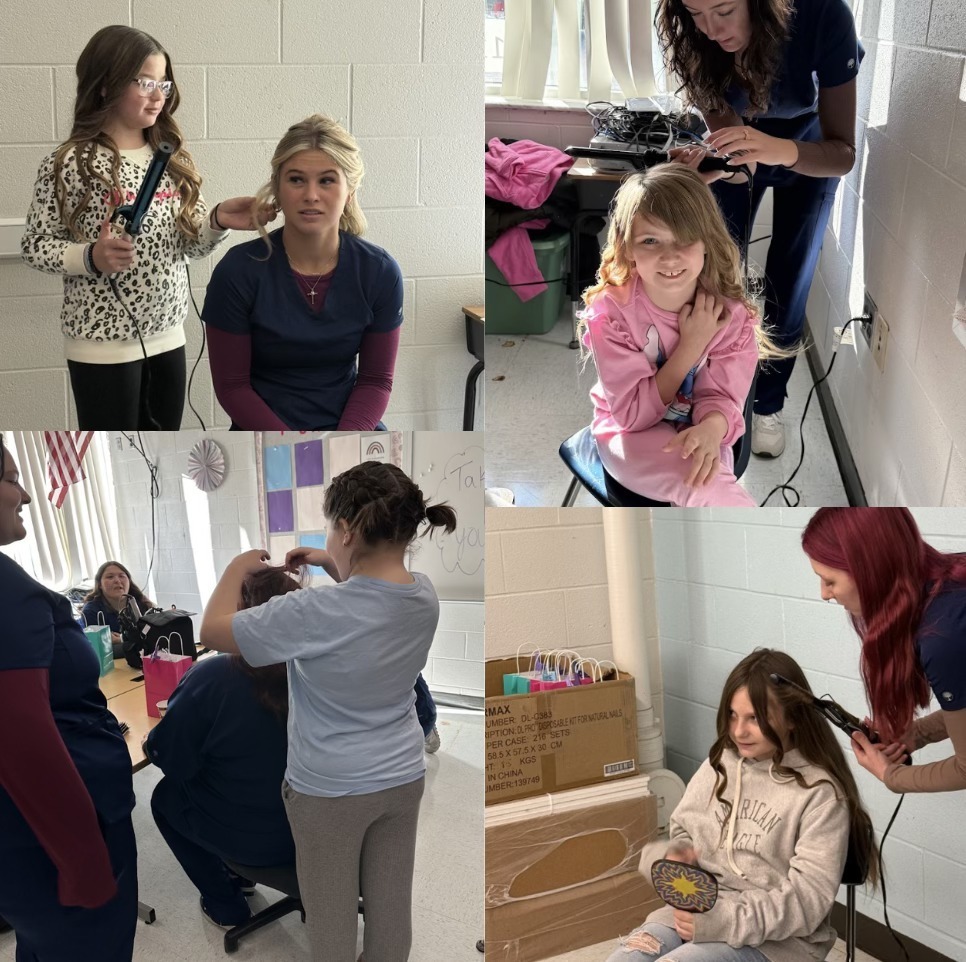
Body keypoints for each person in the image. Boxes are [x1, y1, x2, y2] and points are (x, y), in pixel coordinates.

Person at [199, 461, 456, 961]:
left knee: (332, 924)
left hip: (330, 791)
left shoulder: (311, 614)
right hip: (402, 778)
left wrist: (236, 569)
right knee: (390, 913)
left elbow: (213, 630)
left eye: (329, 528)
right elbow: (370, 585)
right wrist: (324, 558)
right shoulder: (423, 595)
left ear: (347, 530)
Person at [21, 25, 272, 430]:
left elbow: (189, 247)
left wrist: (217, 220)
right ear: (106, 85)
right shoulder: (69, 161)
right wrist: (90, 256)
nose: (159, 96)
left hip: (169, 334)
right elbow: (35, 246)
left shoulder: (170, 158)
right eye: (145, 83)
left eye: (164, 83)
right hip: (101, 344)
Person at [656, 0, 863, 458]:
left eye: (724, 10)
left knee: (789, 279)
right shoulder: (692, 36)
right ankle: (706, 393)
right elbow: (731, 146)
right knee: (713, 275)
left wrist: (777, 149)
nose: (710, 29)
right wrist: (715, 170)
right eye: (696, 13)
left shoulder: (826, 16)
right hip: (739, 144)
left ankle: (767, 405)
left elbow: (843, 152)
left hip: (810, 148)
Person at [609, 648, 878, 962]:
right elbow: (684, 832)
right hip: (700, 913)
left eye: (754, 718)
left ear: (791, 718)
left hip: (779, 943)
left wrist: (721, 920)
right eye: (733, 716)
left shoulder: (820, 794)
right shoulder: (720, 763)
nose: (738, 731)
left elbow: (807, 903)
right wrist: (676, 855)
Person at [0, 435, 137, 959]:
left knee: (42, 947)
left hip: (27, 837)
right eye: (13, 479)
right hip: (51, 840)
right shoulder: (9, 597)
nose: (27, 495)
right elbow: (22, 745)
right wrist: (84, 863)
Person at [578, 163, 787, 506]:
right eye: (650, 240)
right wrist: (690, 346)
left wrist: (712, 428)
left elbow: (723, 399)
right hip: (630, 433)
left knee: (707, 477)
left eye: (685, 239)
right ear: (628, 248)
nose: (670, 256)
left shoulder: (731, 317)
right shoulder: (611, 313)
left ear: (707, 242)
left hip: (700, 431)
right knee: (702, 487)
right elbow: (632, 417)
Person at [203, 114, 404, 430]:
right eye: (296, 179)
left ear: (349, 190)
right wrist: (295, 448)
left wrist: (342, 443)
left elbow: (375, 381)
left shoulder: (379, 271)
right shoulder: (237, 271)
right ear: (278, 188)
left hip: (349, 429)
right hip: (265, 432)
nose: (311, 195)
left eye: (326, 180)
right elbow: (233, 388)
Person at [145, 566, 300, 928]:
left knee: (166, 798)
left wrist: (153, 742)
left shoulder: (211, 677)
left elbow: (173, 760)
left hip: (255, 838)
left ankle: (226, 902)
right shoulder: (323, 670)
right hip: (320, 833)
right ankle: (243, 878)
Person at [801, 508, 966, 793]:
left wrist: (890, 775)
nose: (824, 594)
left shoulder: (943, 638)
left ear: (871, 572)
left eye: (830, 581)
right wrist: (915, 735)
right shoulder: (947, 584)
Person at [82, 559, 155, 656]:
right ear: (100, 584)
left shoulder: (142, 604)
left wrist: (121, 639)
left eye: (122, 576)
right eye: (110, 577)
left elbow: (155, 639)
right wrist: (135, 642)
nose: (117, 580)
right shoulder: (92, 611)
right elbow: (102, 651)